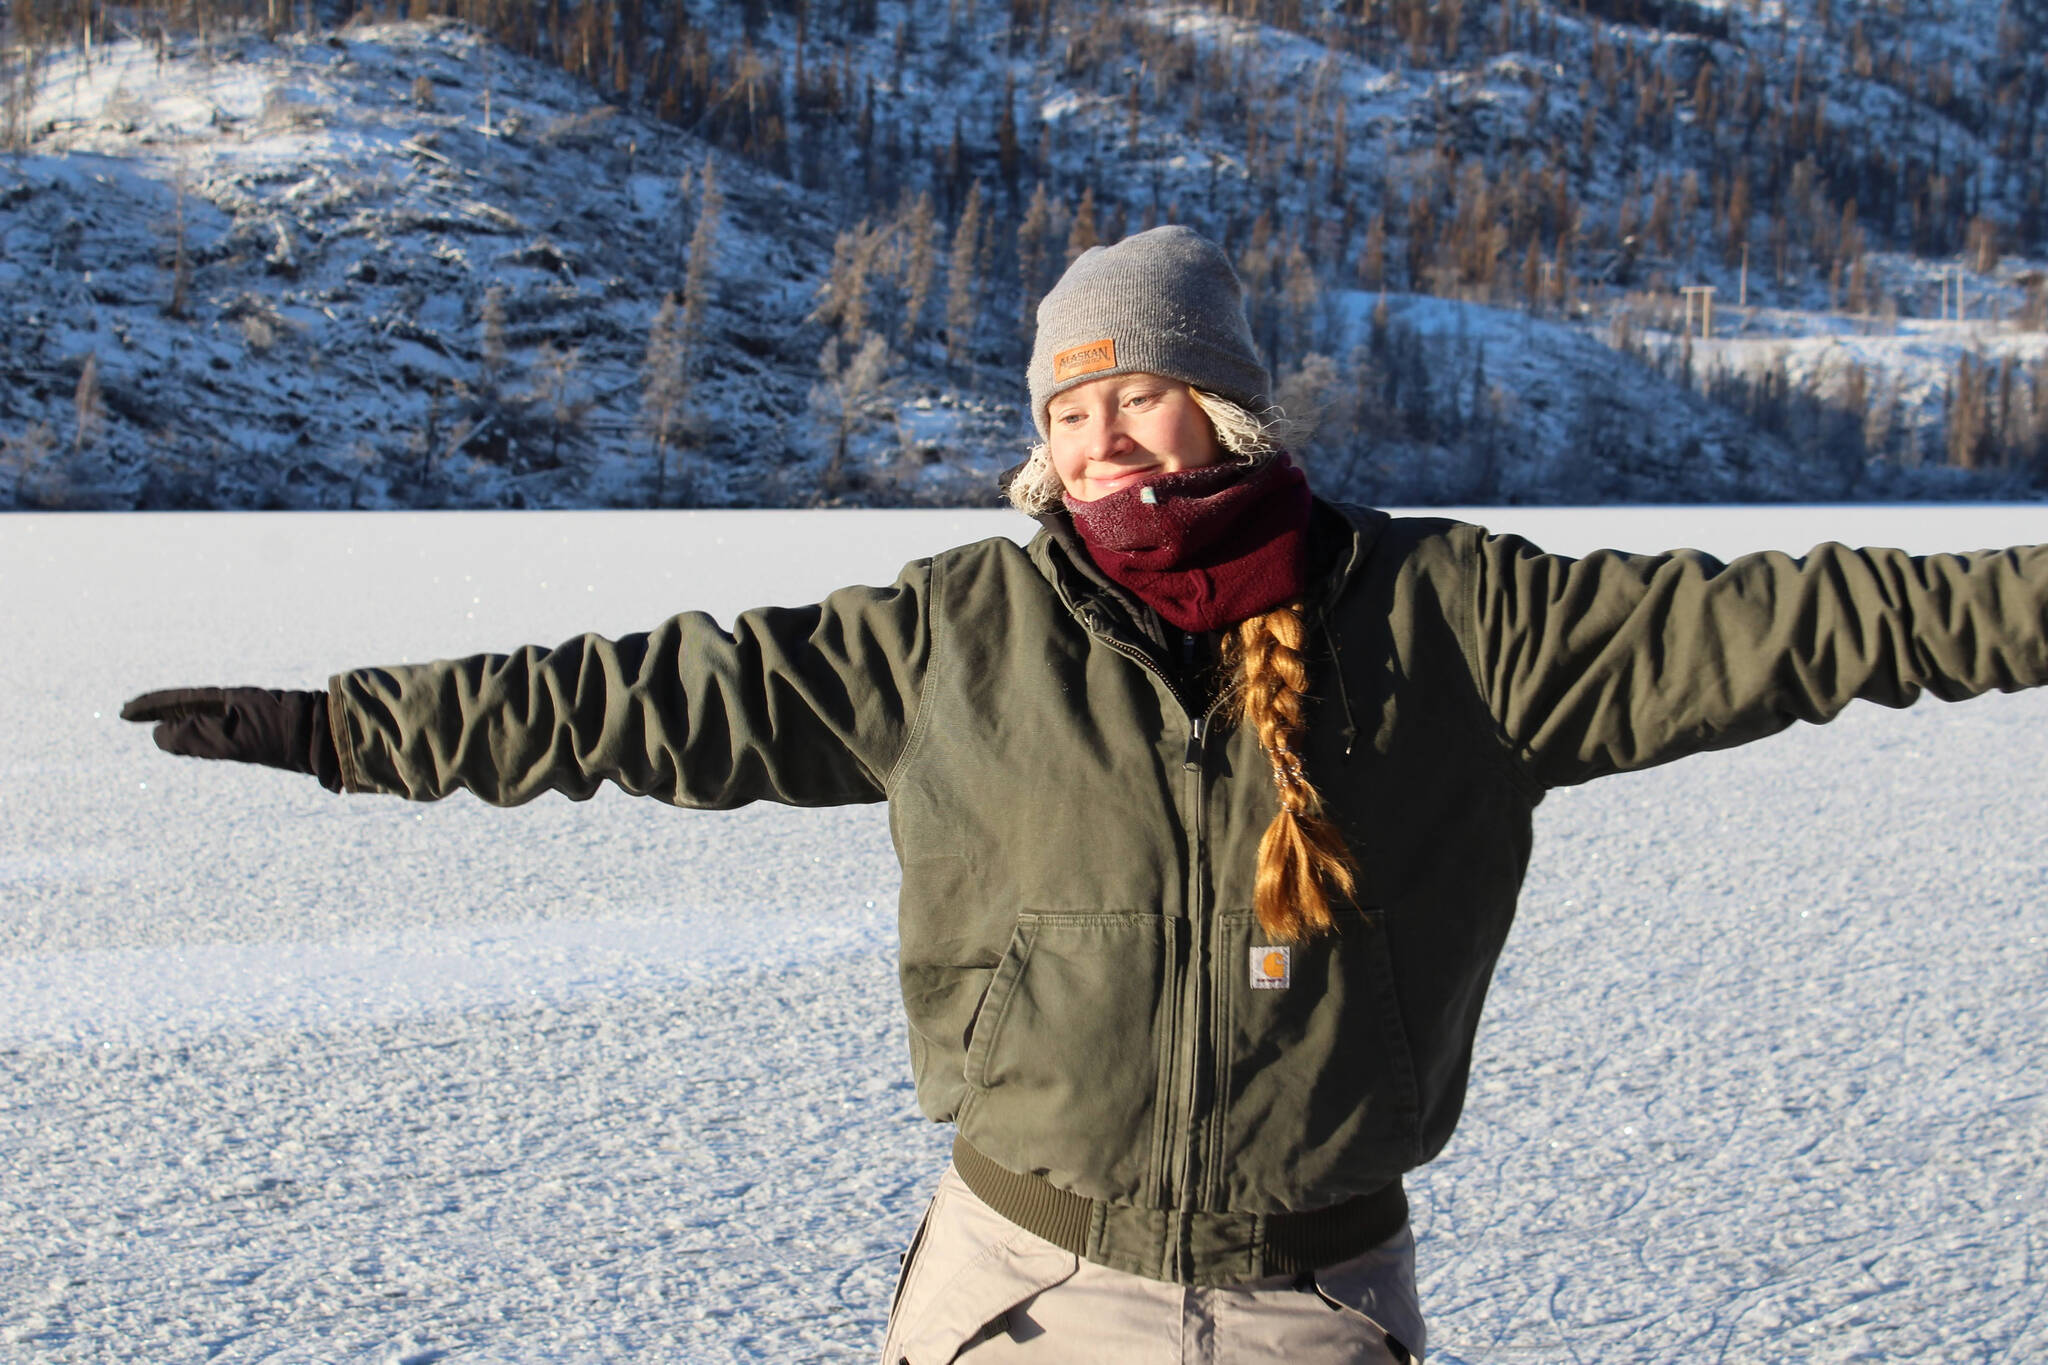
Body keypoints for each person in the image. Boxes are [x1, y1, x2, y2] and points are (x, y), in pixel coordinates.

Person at [122, 226, 2048, 1365]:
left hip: (1313, 1304)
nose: (1104, 432)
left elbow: (1827, 619)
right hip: (1023, 1293)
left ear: (1230, 404)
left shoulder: (1457, 621)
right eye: (1066, 406)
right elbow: (647, 700)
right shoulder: (959, 637)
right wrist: (340, 725)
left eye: (1138, 391)